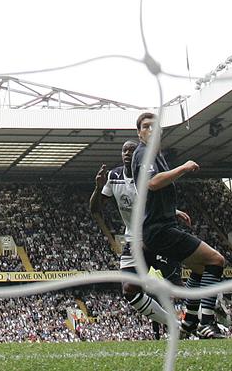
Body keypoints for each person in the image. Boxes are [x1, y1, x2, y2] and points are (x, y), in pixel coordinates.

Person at [133, 112, 227, 339]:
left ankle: (189, 324)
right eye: (146, 127)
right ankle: (206, 321)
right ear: (139, 132)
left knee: (199, 269)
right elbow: (153, 183)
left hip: (160, 227)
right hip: (159, 230)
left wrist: (172, 211)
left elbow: (145, 192)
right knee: (216, 260)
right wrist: (183, 168)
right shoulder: (144, 153)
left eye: (155, 127)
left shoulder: (155, 155)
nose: (151, 130)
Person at [90, 140, 182, 340]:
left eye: (132, 150)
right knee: (129, 289)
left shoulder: (147, 174)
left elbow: (158, 200)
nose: (127, 153)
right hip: (133, 239)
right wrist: (98, 188)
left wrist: (174, 211)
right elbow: (95, 210)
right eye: (124, 150)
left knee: (178, 287)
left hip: (156, 234)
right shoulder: (113, 177)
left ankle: (213, 303)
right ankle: (175, 326)